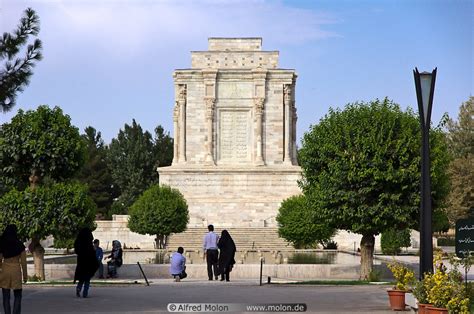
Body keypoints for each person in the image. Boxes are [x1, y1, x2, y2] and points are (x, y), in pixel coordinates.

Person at [0, 225, 27, 314]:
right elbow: (23, 262)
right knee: (18, 296)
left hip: (5, 270)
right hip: (16, 270)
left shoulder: (2, 244)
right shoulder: (20, 245)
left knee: (6, 296)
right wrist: (25, 276)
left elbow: (0, 259)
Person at [74, 228, 99, 298]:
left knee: (82, 278)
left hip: (81, 262)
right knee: (87, 279)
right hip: (88, 264)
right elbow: (92, 253)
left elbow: (76, 250)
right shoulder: (88, 243)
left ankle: (78, 289)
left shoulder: (78, 241)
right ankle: (85, 293)